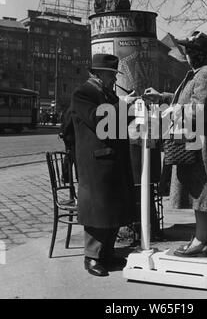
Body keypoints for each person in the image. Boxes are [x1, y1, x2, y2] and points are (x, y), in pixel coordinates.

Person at [144, 31, 207, 257]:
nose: (186, 54)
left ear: (197, 54)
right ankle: (201, 238)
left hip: (198, 144)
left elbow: (200, 109)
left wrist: (169, 111)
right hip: (191, 140)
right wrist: (164, 97)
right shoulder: (198, 73)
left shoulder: (206, 73)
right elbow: (188, 100)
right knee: (197, 192)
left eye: (188, 50)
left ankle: (201, 240)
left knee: (200, 192)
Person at [71, 53, 137, 277]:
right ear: (97, 74)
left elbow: (117, 123)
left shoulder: (109, 95)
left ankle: (107, 254)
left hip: (113, 158)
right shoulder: (83, 94)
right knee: (97, 209)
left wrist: (132, 109)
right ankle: (91, 257)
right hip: (96, 161)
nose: (113, 80)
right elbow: (98, 120)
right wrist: (123, 108)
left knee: (113, 208)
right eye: (110, 75)